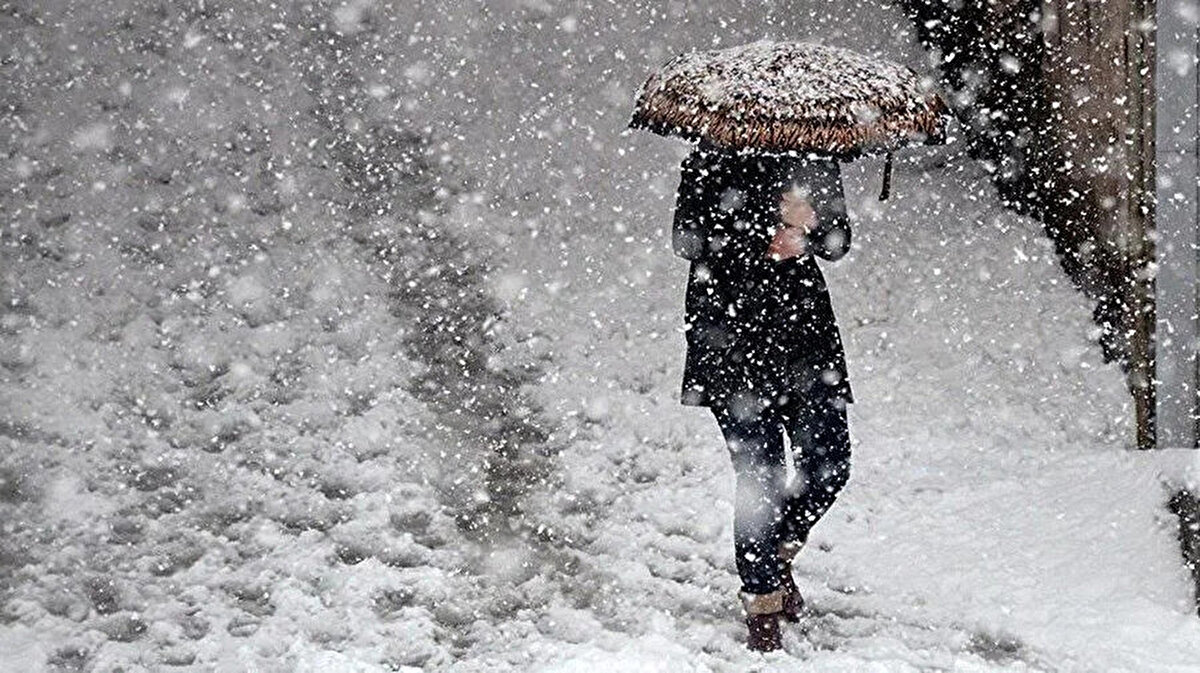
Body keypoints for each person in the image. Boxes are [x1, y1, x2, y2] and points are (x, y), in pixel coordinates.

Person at [671, 140, 854, 652]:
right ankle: (763, 605)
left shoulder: (814, 151)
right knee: (761, 478)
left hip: (805, 337)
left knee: (830, 463)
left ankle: (772, 556)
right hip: (730, 336)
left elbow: (838, 242)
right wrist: (765, 227)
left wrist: (810, 225)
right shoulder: (711, 156)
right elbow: (687, 239)